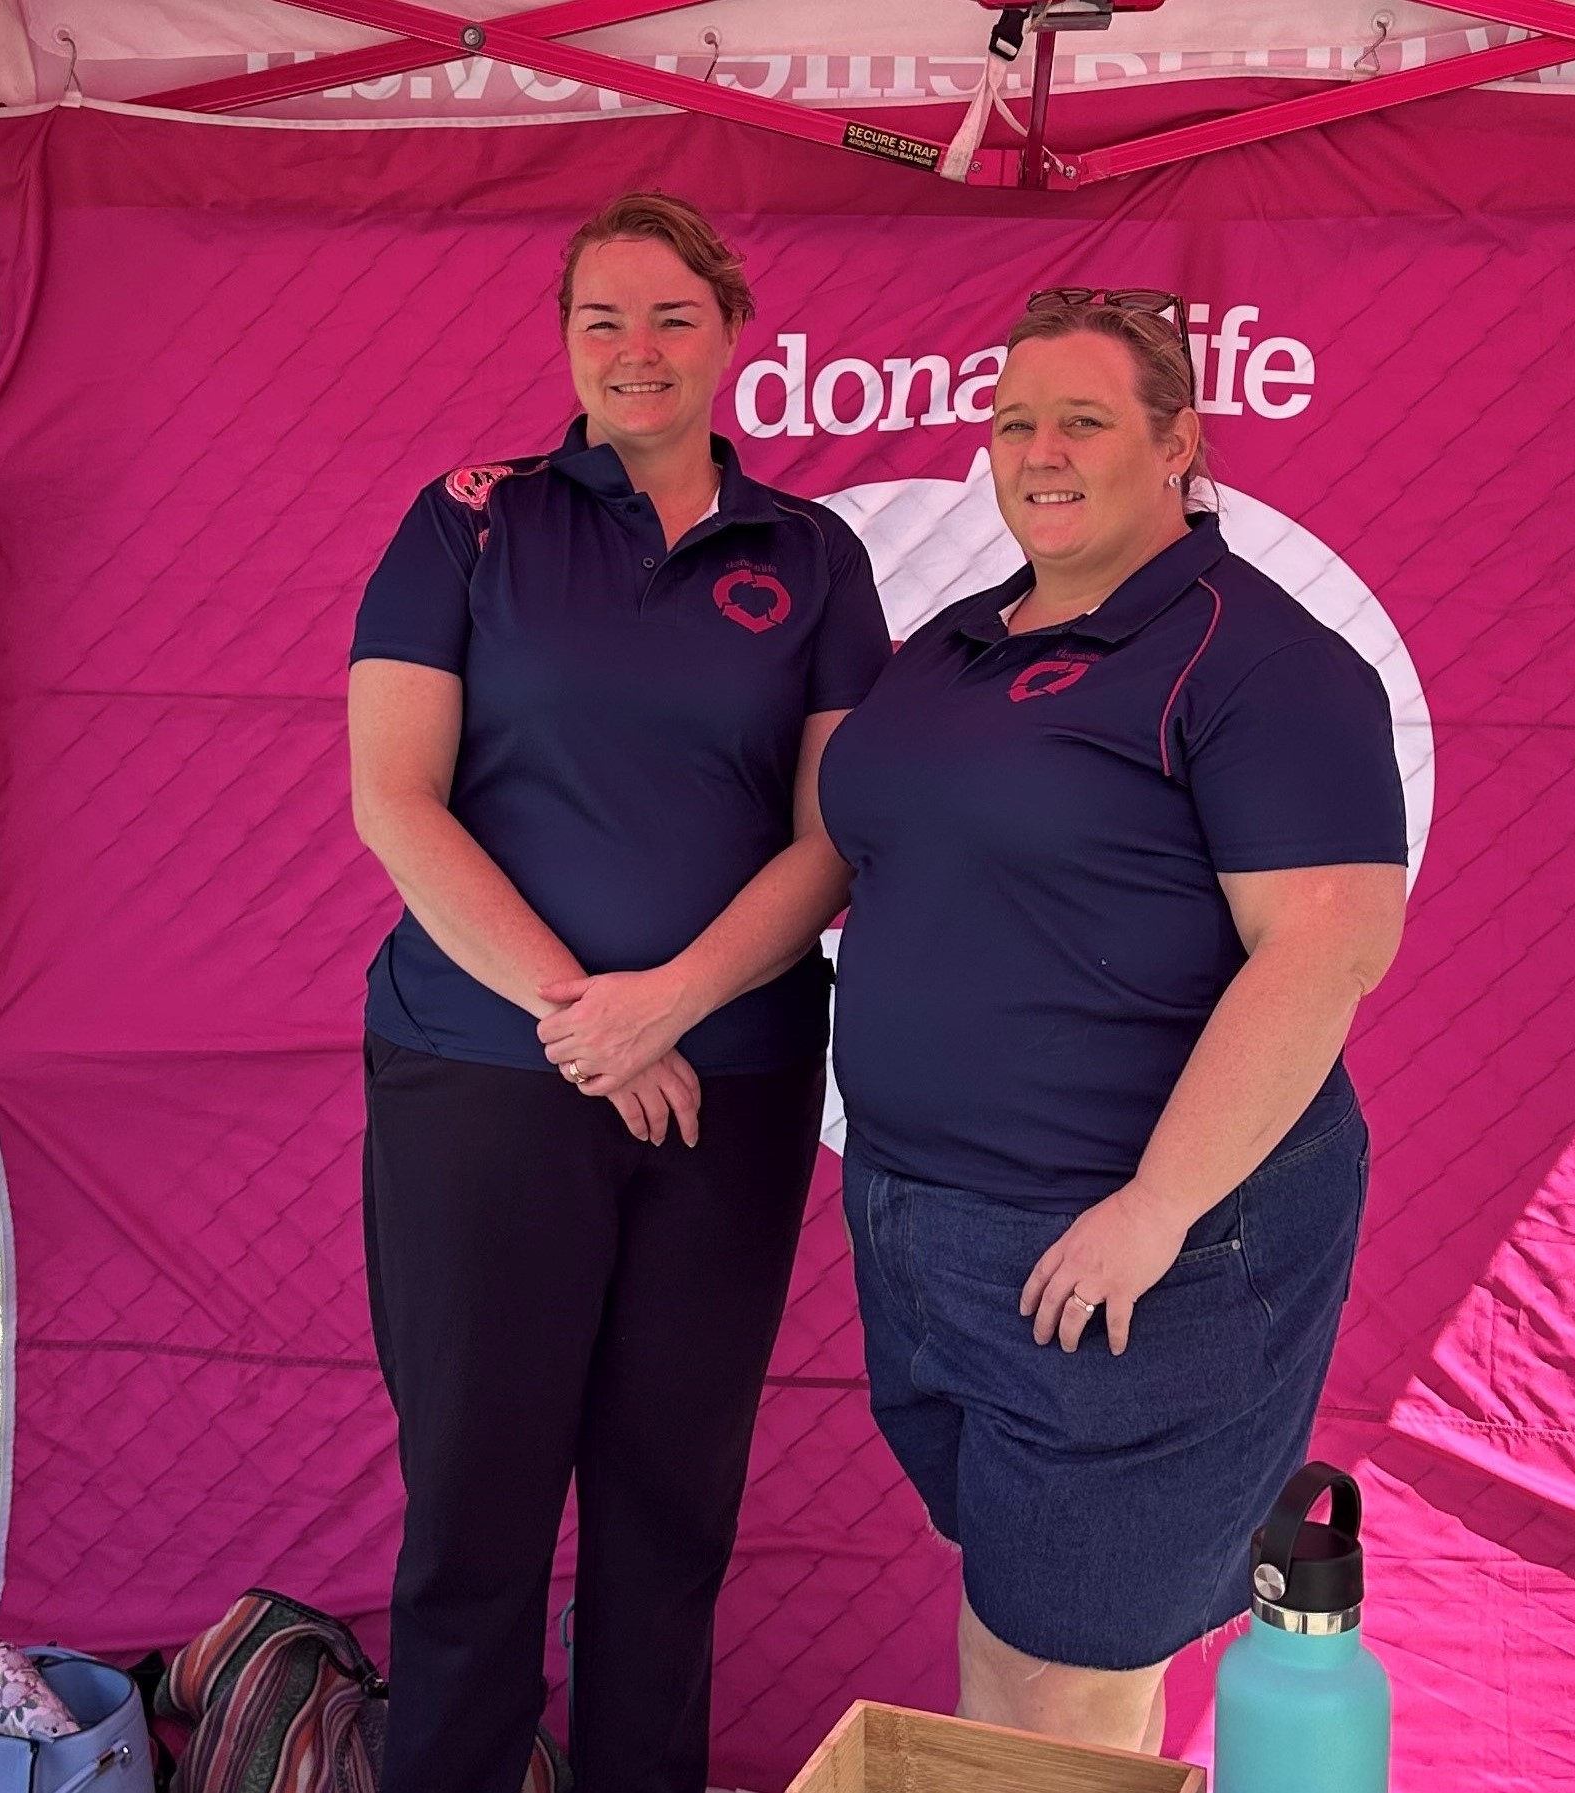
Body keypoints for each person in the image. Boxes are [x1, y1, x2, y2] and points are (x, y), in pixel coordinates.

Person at [346, 193, 891, 1793]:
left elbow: (835, 834)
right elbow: (397, 798)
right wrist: (578, 1017)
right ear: (564, 342)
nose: (634, 349)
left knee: (666, 1518)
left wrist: (668, 1007)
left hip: (726, 1085)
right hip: (478, 1075)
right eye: (600, 318)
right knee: (475, 1512)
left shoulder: (810, 554)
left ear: (731, 334)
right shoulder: (469, 520)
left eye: (668, 316)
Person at [818, 288, 1409, 1752]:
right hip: (927, 1229)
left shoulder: (1254, 662)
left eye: (1082, 418)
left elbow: (1326, 947)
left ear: (1178, 444)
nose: (1038, 450)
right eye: (1013, 421)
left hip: (1135, 1253)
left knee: (1060, 1681)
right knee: (1023, 1634)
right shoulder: (952, 641)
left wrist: (1153, 1205)